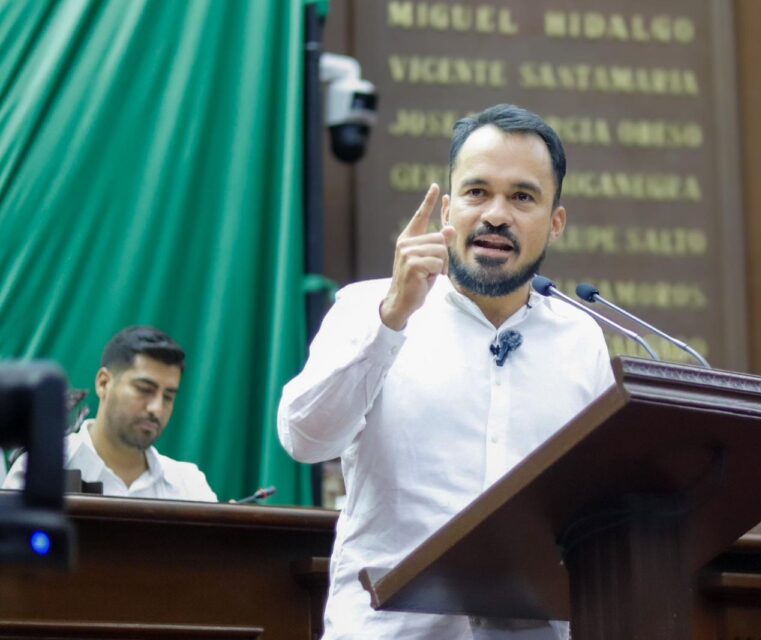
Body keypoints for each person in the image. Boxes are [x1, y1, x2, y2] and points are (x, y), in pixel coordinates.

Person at [278, 104, 614, 639]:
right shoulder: (369, 309)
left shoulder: (580, 341)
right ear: (447, 211)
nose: (496, 215)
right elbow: (304, 439)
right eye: (477, 192)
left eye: (522, 197)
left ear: (555, 224)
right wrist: (392, 319)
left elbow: (600, 506)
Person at [3, 326, 217, 501]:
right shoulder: (39, 472)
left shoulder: (189, 486)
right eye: (145, 389)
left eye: (168, 397)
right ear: (104, 383)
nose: (156, 408)